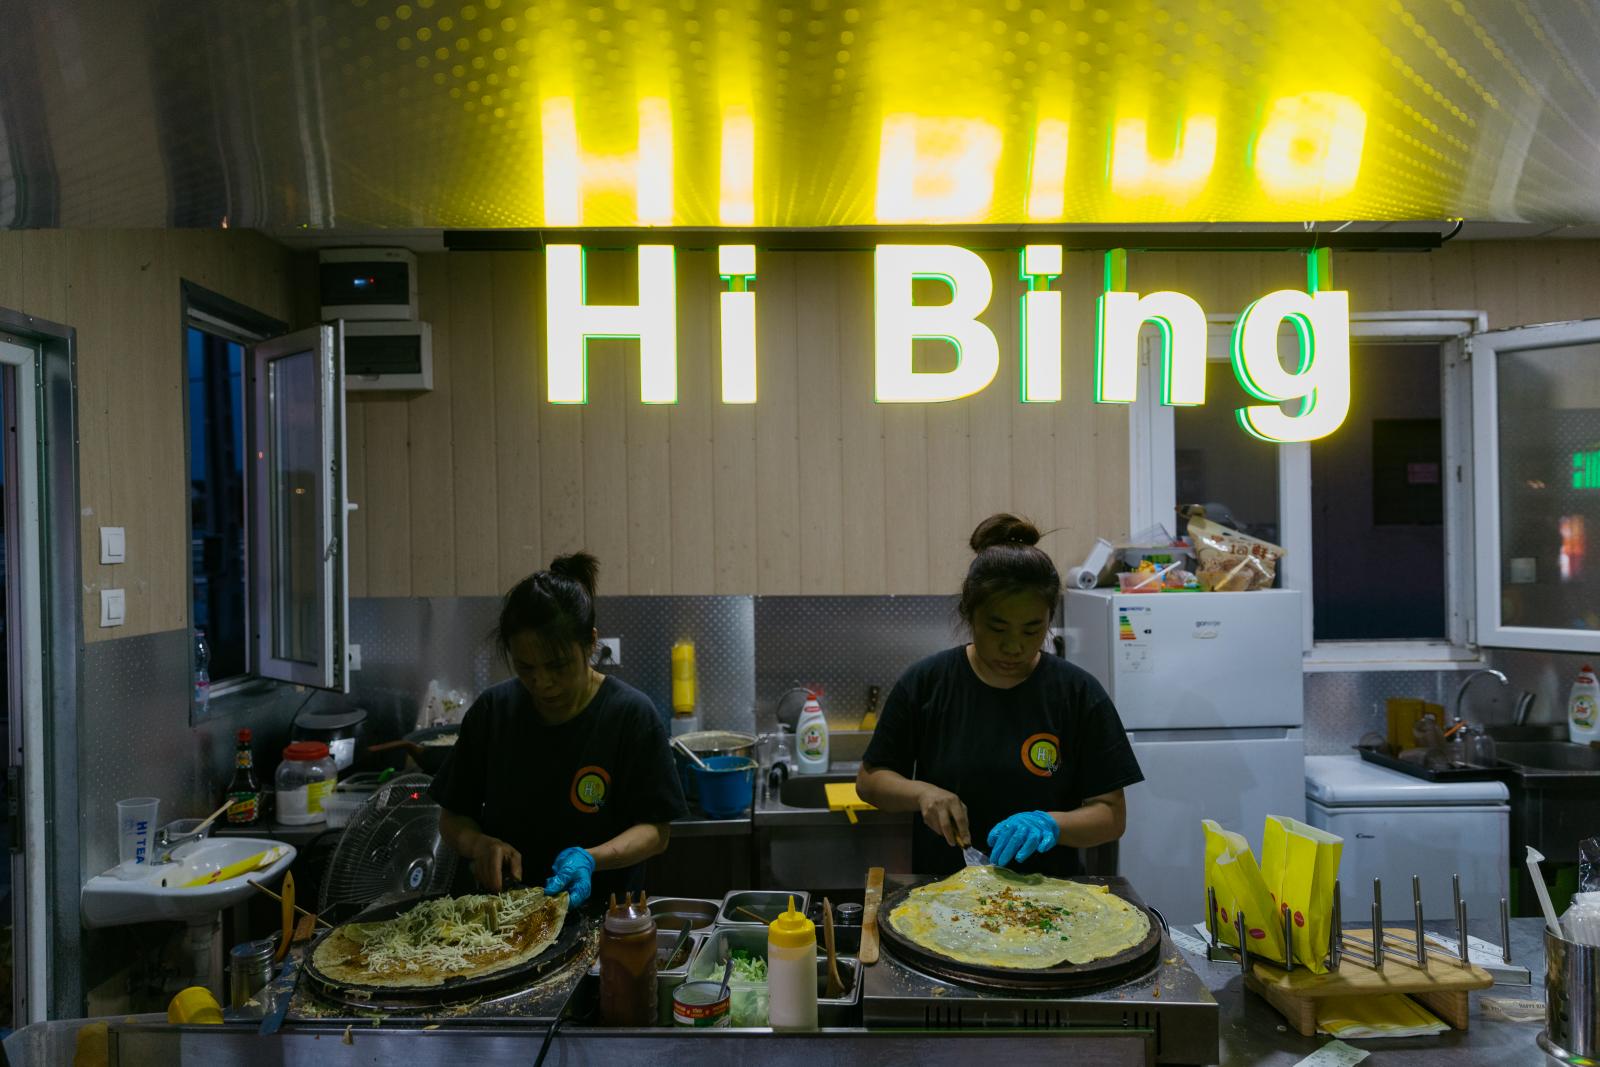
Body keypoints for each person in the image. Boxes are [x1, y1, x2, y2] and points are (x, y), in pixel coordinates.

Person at [856, 514, 1143, 877]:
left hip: (1052, 898)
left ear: (1049, 619)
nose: (1013, 646)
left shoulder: (1077, 693)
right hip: (943, 896)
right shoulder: (927, 683)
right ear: (970, 614)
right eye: (997, 628)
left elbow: (1111, 816)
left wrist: (1052, 825)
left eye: (1032, 629)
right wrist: (923, 793)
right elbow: (870, 781)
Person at [432, 553, 687, 906]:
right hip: (504, 918)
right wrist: (479, 844)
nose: (542, 682)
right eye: (526, 667)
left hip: (602, 918)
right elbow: (453, 816)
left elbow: (657, 831)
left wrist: (591, 859)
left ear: (590, 643)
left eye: (558, 665)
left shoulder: (630, 715)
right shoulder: (493, 712)